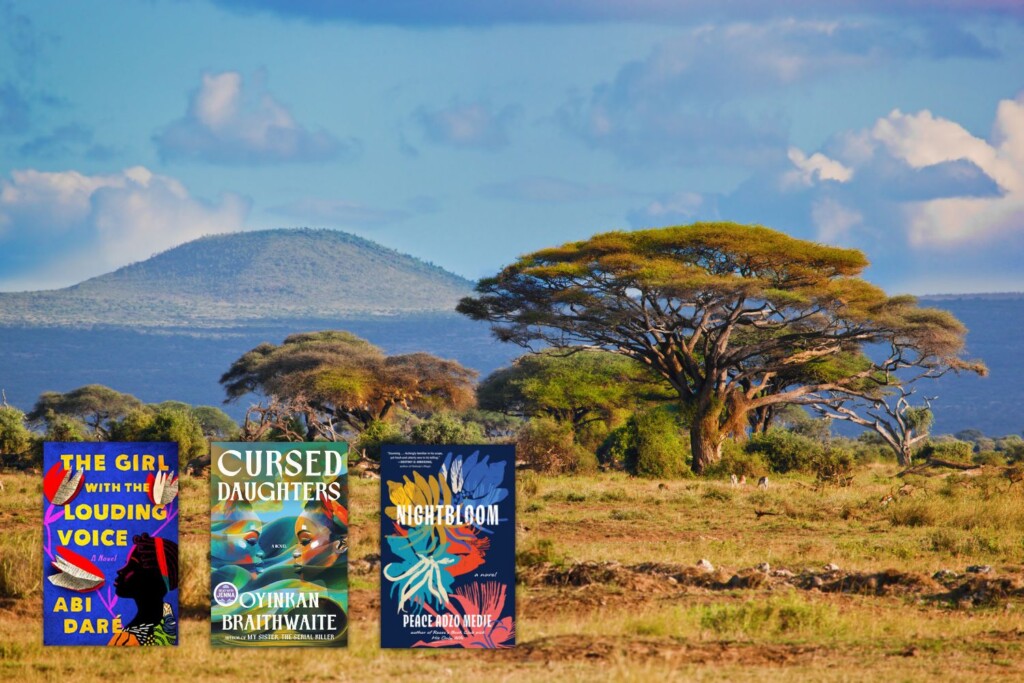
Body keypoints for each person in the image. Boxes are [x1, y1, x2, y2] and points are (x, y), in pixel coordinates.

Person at [108, 533, 179, 646]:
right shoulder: (167, 621)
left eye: (132, 565)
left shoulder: (128, 640)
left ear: (153, 578)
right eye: (125, 563)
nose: (120, 570)